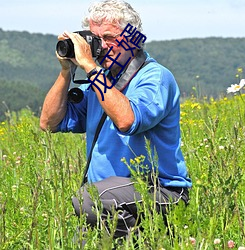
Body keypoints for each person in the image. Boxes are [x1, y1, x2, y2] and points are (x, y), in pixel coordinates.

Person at [40, 0, 192, 244]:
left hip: (160, 192)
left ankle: (146, 241)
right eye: (95, 38)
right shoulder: (99, 83)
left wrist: (90, 66)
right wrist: (66, 70)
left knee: (88, 200)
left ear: (134, 38)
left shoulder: (155, 77)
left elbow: (127, 120)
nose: (101, 46)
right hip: (110, 199)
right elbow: (49, 123)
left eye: (109, 37)